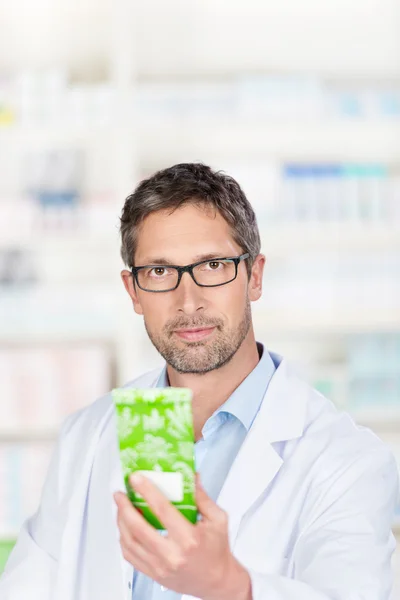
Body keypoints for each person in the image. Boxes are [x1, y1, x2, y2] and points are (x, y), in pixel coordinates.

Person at [0, 162, 398, 600]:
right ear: (133, 291)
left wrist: (233, 588)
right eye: (158, 272)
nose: (188, 302)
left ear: (255, 276)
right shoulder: (89, 437)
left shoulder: (345, 461)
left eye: (212, 265)